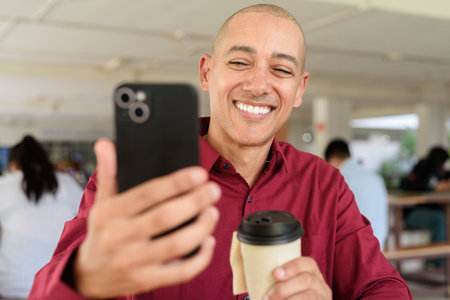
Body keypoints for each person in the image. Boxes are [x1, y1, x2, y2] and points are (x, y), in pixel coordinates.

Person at [28, 4, 412, 299]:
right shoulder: (137, 175)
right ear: (207, 72)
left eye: (281, 70)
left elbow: (384, 286)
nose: (259, 84)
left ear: (299, 89)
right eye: (240, 62)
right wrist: (87, 275)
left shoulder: (324, 184)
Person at [0, 135, 83, 299]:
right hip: (56, 285)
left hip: (12, 286)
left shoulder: (5, 185)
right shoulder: (67, 183)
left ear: (13, 165)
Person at [324, 139, 389, 250]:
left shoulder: (339, 178)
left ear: (333, 159)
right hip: (379, 245)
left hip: (355, 249)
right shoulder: (375, 177)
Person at [400, 146, 450, 268]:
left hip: (428, 211)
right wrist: (434, 186)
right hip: (411, 212)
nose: (444, 166)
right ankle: (435, 261)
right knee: (441, 219)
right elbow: (408, 185)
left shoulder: (441, 172)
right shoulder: (424, 166)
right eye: (444, 162)